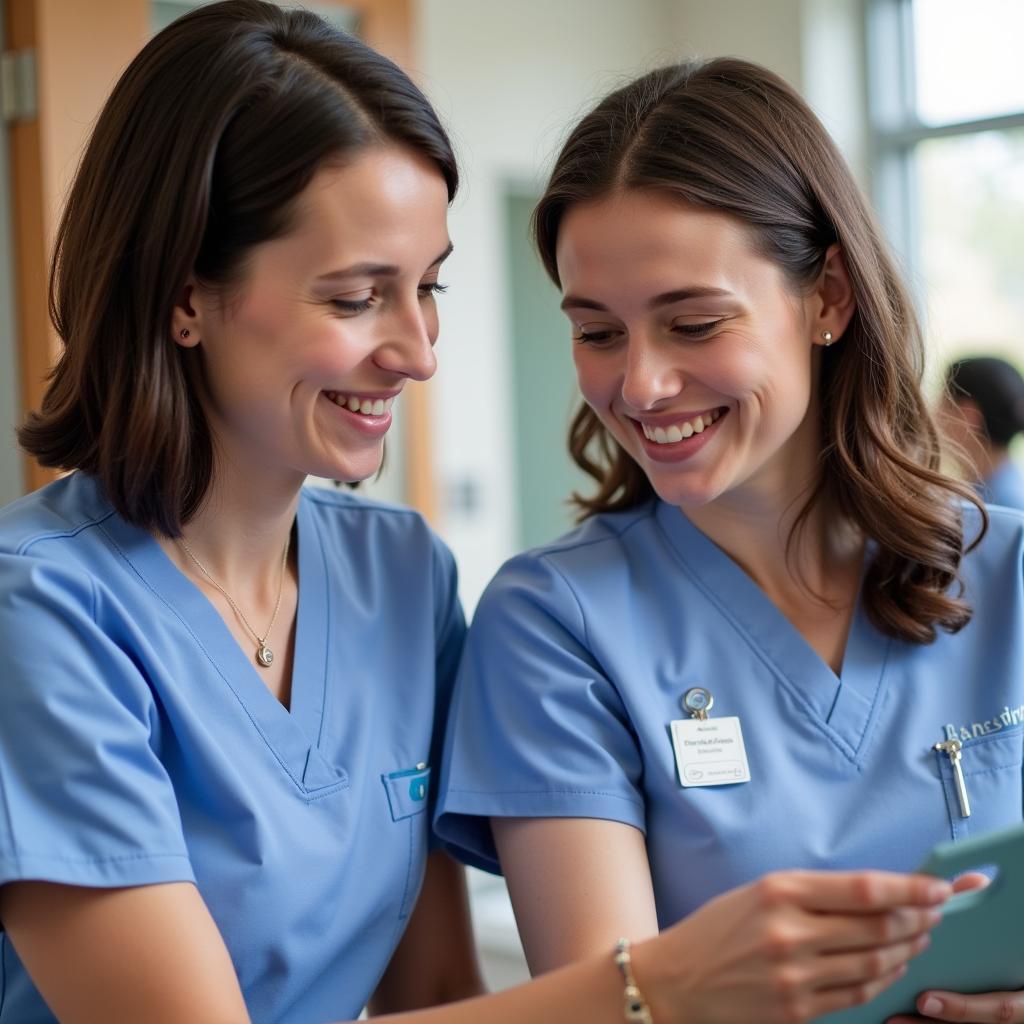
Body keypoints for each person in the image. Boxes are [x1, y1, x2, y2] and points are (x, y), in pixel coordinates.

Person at [0, 10, 952, 1024]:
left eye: (429, 287)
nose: (418, 350)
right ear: (185, 297)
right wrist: (659, 985)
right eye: (359, 297)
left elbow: (442, 996)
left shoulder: (395, 577)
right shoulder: (44, 606)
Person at [436, 58, 1024, 1024]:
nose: (641, 386)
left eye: (694, 323)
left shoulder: (1007, 573)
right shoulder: (556, 623)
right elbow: (607, 1001)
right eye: (598, 332)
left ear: (827, 296)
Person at [941, 356, 1024, 511]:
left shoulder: (1006, 505)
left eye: (943, 404)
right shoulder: (985, 491)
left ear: (967, 416)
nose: (934, 414)